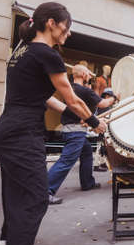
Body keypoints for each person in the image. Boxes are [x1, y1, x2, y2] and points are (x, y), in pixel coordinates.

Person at [0, 2, 107, 245]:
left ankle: (7, 235)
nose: (69, 32)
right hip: (22, 134)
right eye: (67, 26)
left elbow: (42, 96)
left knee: (15, 192)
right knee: (36, 199)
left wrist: (73, 114)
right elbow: (73, 98)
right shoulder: (47, 54)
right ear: (51, 23)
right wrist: (96, 123)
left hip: (5, 131)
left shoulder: (22, 50)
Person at [48, 65, 117, 203]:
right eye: (88, 74)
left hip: (68, 129)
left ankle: (87, 183)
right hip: (76, 131)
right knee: (66, 160)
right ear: (84, 75)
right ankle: (45, 191)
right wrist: (115, 97)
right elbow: (103, 103)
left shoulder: (70, 89)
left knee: (86, 153)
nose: (89, 77)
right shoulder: (85, 90)